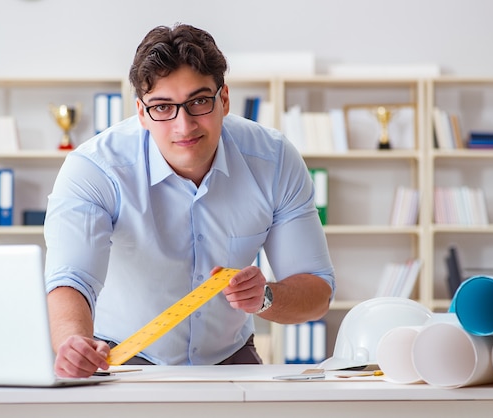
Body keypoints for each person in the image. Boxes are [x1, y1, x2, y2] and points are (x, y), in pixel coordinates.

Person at [44, 23, 335, 378]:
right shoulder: (95, 169)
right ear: (140, 112)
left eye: (199, 101)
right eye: (163, 107)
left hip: (231, 357)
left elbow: (317, 291)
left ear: (224, 99)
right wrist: (73, 343)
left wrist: (266, 297)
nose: (184, 126)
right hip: (123, 359)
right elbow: (71, 279)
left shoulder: (273, 161)